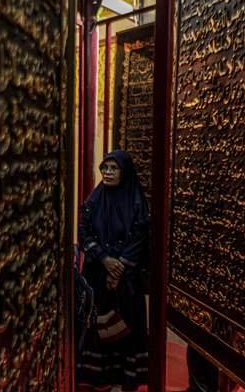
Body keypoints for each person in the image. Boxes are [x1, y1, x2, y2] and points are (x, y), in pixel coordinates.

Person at [76, 150, 149, 392]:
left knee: (126, 328)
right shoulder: (95, 199)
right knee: (100, 328)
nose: (107, 173)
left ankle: (125, 380)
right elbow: (84, 230)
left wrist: (119, 268)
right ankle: (100, 379)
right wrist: (104, 259)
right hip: (98, 275)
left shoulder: (137, 202)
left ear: (124, 171)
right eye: (104, 168)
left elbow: (140, 236)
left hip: (126, 281)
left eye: (113, 168)